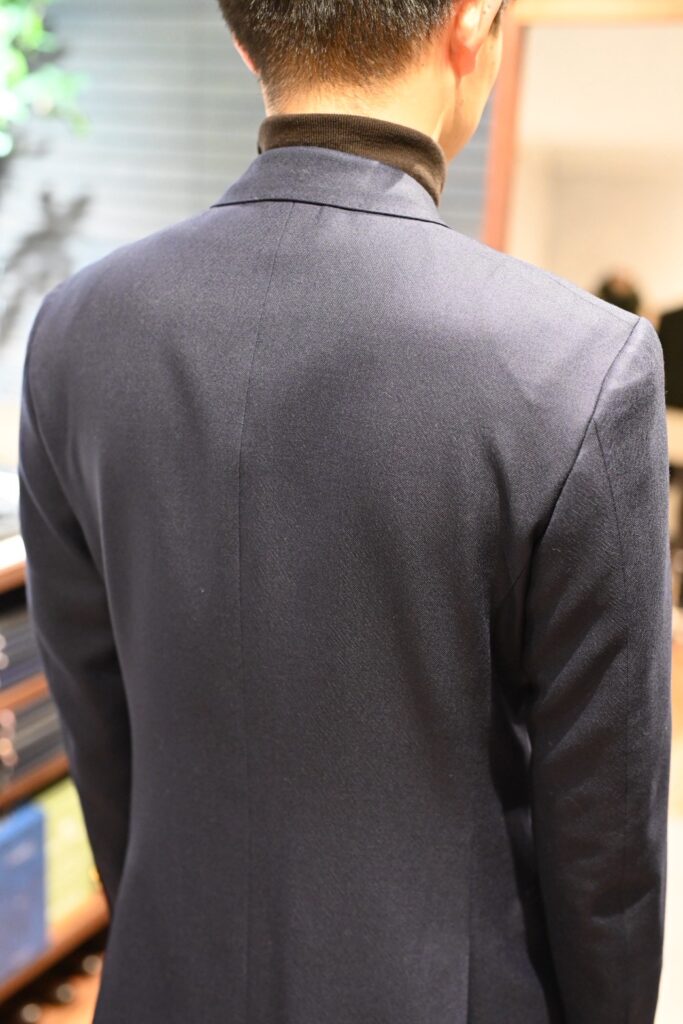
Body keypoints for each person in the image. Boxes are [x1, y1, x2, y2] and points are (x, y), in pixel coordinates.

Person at [17, 1, 672, 1022]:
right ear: (471, 23)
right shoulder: (578, 367)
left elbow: (105, 748)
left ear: (242, 39)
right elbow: (605, 850)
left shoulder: (73, 333)